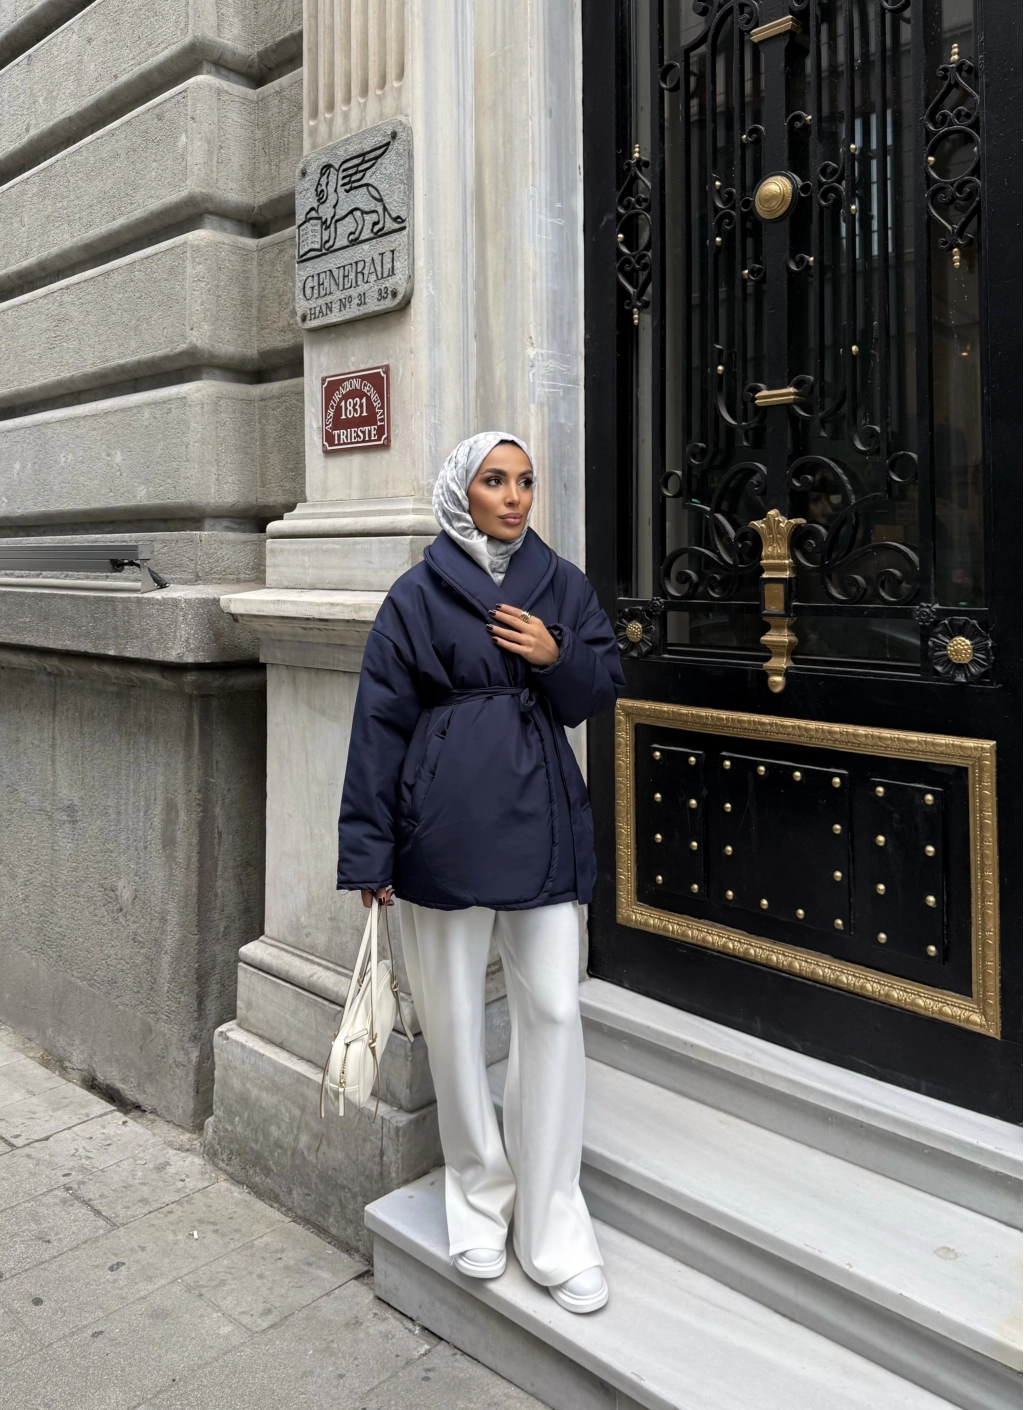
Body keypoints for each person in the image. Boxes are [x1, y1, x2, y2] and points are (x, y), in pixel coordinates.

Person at [336, 431, 625, 1314]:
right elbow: (378, 726)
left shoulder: (561, 583)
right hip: (442, 831)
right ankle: (476, 1195)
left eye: (525, 481)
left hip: (542, 824)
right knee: (456, 1021)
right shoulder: (416, 594)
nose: (514, 497)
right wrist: (369, 851)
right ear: (461, 491)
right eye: (495, 481)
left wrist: (556, 656)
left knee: (554, 1012)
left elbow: (601, 687)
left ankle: (553, 1225)